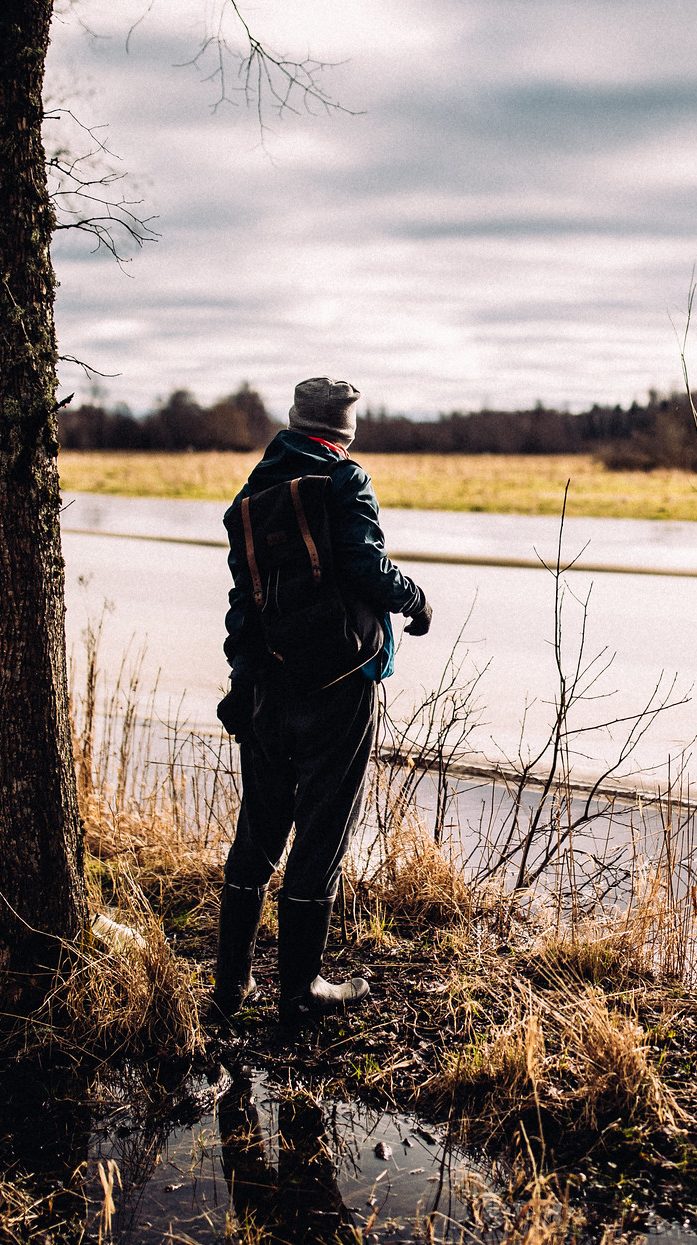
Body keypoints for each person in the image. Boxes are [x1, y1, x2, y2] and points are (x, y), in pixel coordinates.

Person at [212, 376, 432, 1025]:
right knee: (323, 828)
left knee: (259, 826)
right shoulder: (344, 480)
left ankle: (231, 985)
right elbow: (365, 564)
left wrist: (242, 680)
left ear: (293, 419)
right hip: (339, 684)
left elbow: (242, 602)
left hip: (265, 687)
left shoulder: (251, 493)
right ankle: (301, 987)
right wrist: (415, 600)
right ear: (344, 427)